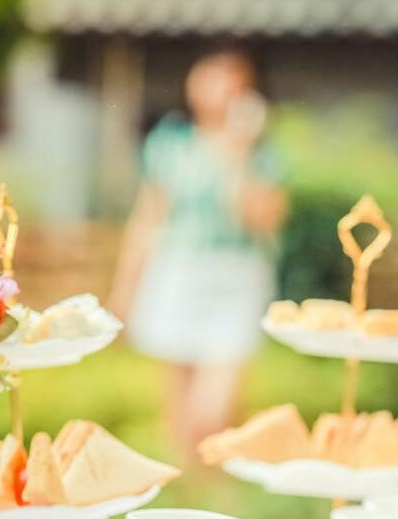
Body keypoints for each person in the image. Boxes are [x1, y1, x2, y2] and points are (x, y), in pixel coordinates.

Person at [107, 50, 288, 459]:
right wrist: (124, 291)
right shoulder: (171, 144)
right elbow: (147, 219)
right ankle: (192, 493)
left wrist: (238, 155)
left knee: (212, 412)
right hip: (178, 271)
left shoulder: (262, 156)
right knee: (178, 408)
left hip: (236, 276)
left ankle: (218, 484)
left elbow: (262, 220)